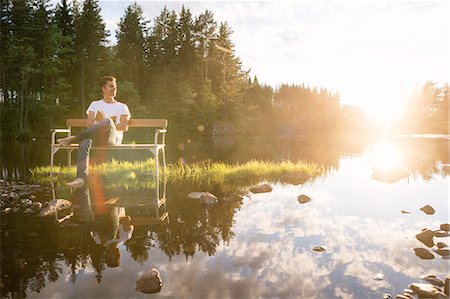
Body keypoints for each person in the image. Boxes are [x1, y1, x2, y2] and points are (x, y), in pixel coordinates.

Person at [57, 76, 131, 188]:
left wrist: (107, 124)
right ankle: (81, 178)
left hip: (113, 138)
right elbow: (89, 123)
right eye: (111, 86)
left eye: (115, 87)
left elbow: (124, 127)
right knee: (85, 141)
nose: (114, 89)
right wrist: (100, 126)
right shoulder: (95, 104)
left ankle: (73, 138)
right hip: (96, 137)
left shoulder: (122, 107)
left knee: (107, 121)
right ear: (103, 88)